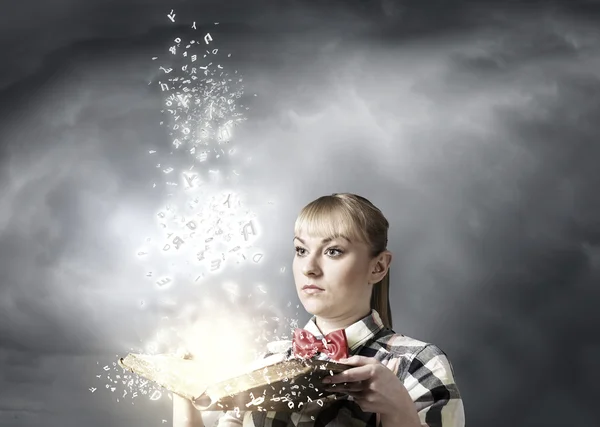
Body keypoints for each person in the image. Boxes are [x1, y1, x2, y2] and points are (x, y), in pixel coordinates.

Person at [174, 193, 465, 427]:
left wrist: (399, 412)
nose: (309, 268)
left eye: (333, 251)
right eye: (301, 250)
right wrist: (185, 396)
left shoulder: (417, 363)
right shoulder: (266, 364)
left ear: (378, 266)